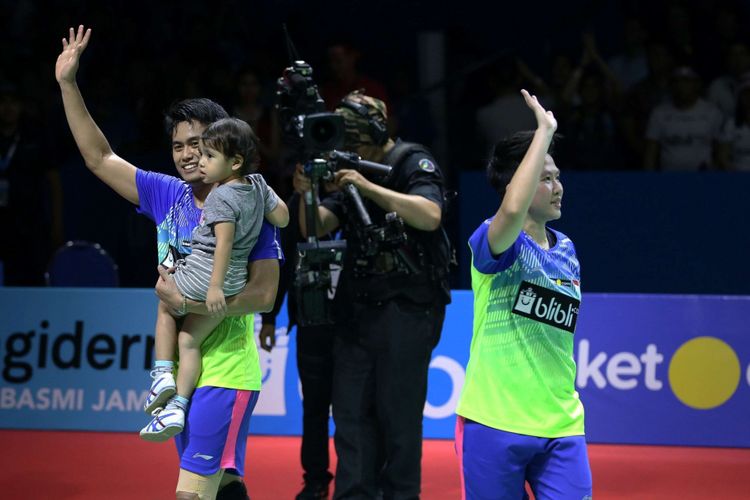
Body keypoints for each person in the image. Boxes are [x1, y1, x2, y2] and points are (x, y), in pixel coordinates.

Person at [56, 26, 281, 499]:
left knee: (190, 492)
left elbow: (263, 295)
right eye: (178, 145)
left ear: (222, 146)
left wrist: (186, 301)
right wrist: (68, 85)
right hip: (184, 368)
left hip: (226, 368)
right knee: (224, 484)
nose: (186, 155)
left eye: (197, 144)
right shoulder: (167, 194)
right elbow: (99, 158)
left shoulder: (247, 205)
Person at [294, 90, 451, 499]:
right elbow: (315, 226)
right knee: (350, 417)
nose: (352, 149)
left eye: (358, 140)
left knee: (398, 420)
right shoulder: (344, 166)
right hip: (355, 311)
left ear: (378, 129)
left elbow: (430, 215)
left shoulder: (412, 160)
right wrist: (307, 191)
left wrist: (367, 186)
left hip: (407, 311)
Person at [455, 90, 592, 499]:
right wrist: (544, 132)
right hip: (494, 422)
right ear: (520, 183)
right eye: (544, 178)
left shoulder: (567, 250)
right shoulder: (494, 242)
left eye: (557, 176)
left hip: (561, 425)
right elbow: (512, 213)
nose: (557, 187)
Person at [139, 117, 289, 442]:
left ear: (234, 162)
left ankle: (163, 373)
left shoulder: (219, 197)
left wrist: (213, 288)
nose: (199, 162)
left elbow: (222, 243)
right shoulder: (259, 186)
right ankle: (178, 404)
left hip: (207, 273)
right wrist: (264, 208)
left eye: (208, 156)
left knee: (166, 302)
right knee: (190, 339)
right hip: (238, 278)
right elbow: (284, 216)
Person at [260, 189, 337, 499]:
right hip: (310, 320)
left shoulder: (354, 191)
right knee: (315, 409)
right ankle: (316, 481)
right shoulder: (295, 203)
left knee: (354, 412)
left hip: (355, 325)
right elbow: (283, 260)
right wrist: (269, 317)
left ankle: (355, 480)